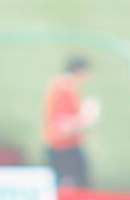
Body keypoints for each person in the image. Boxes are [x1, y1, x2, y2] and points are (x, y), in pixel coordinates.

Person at [41, 55, 100, 190]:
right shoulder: (63, 89)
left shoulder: (65, 88)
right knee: (77, 184)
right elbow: (62, 126)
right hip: (63, 147)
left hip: (64, 144)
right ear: (80, 71)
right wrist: (87, 118)